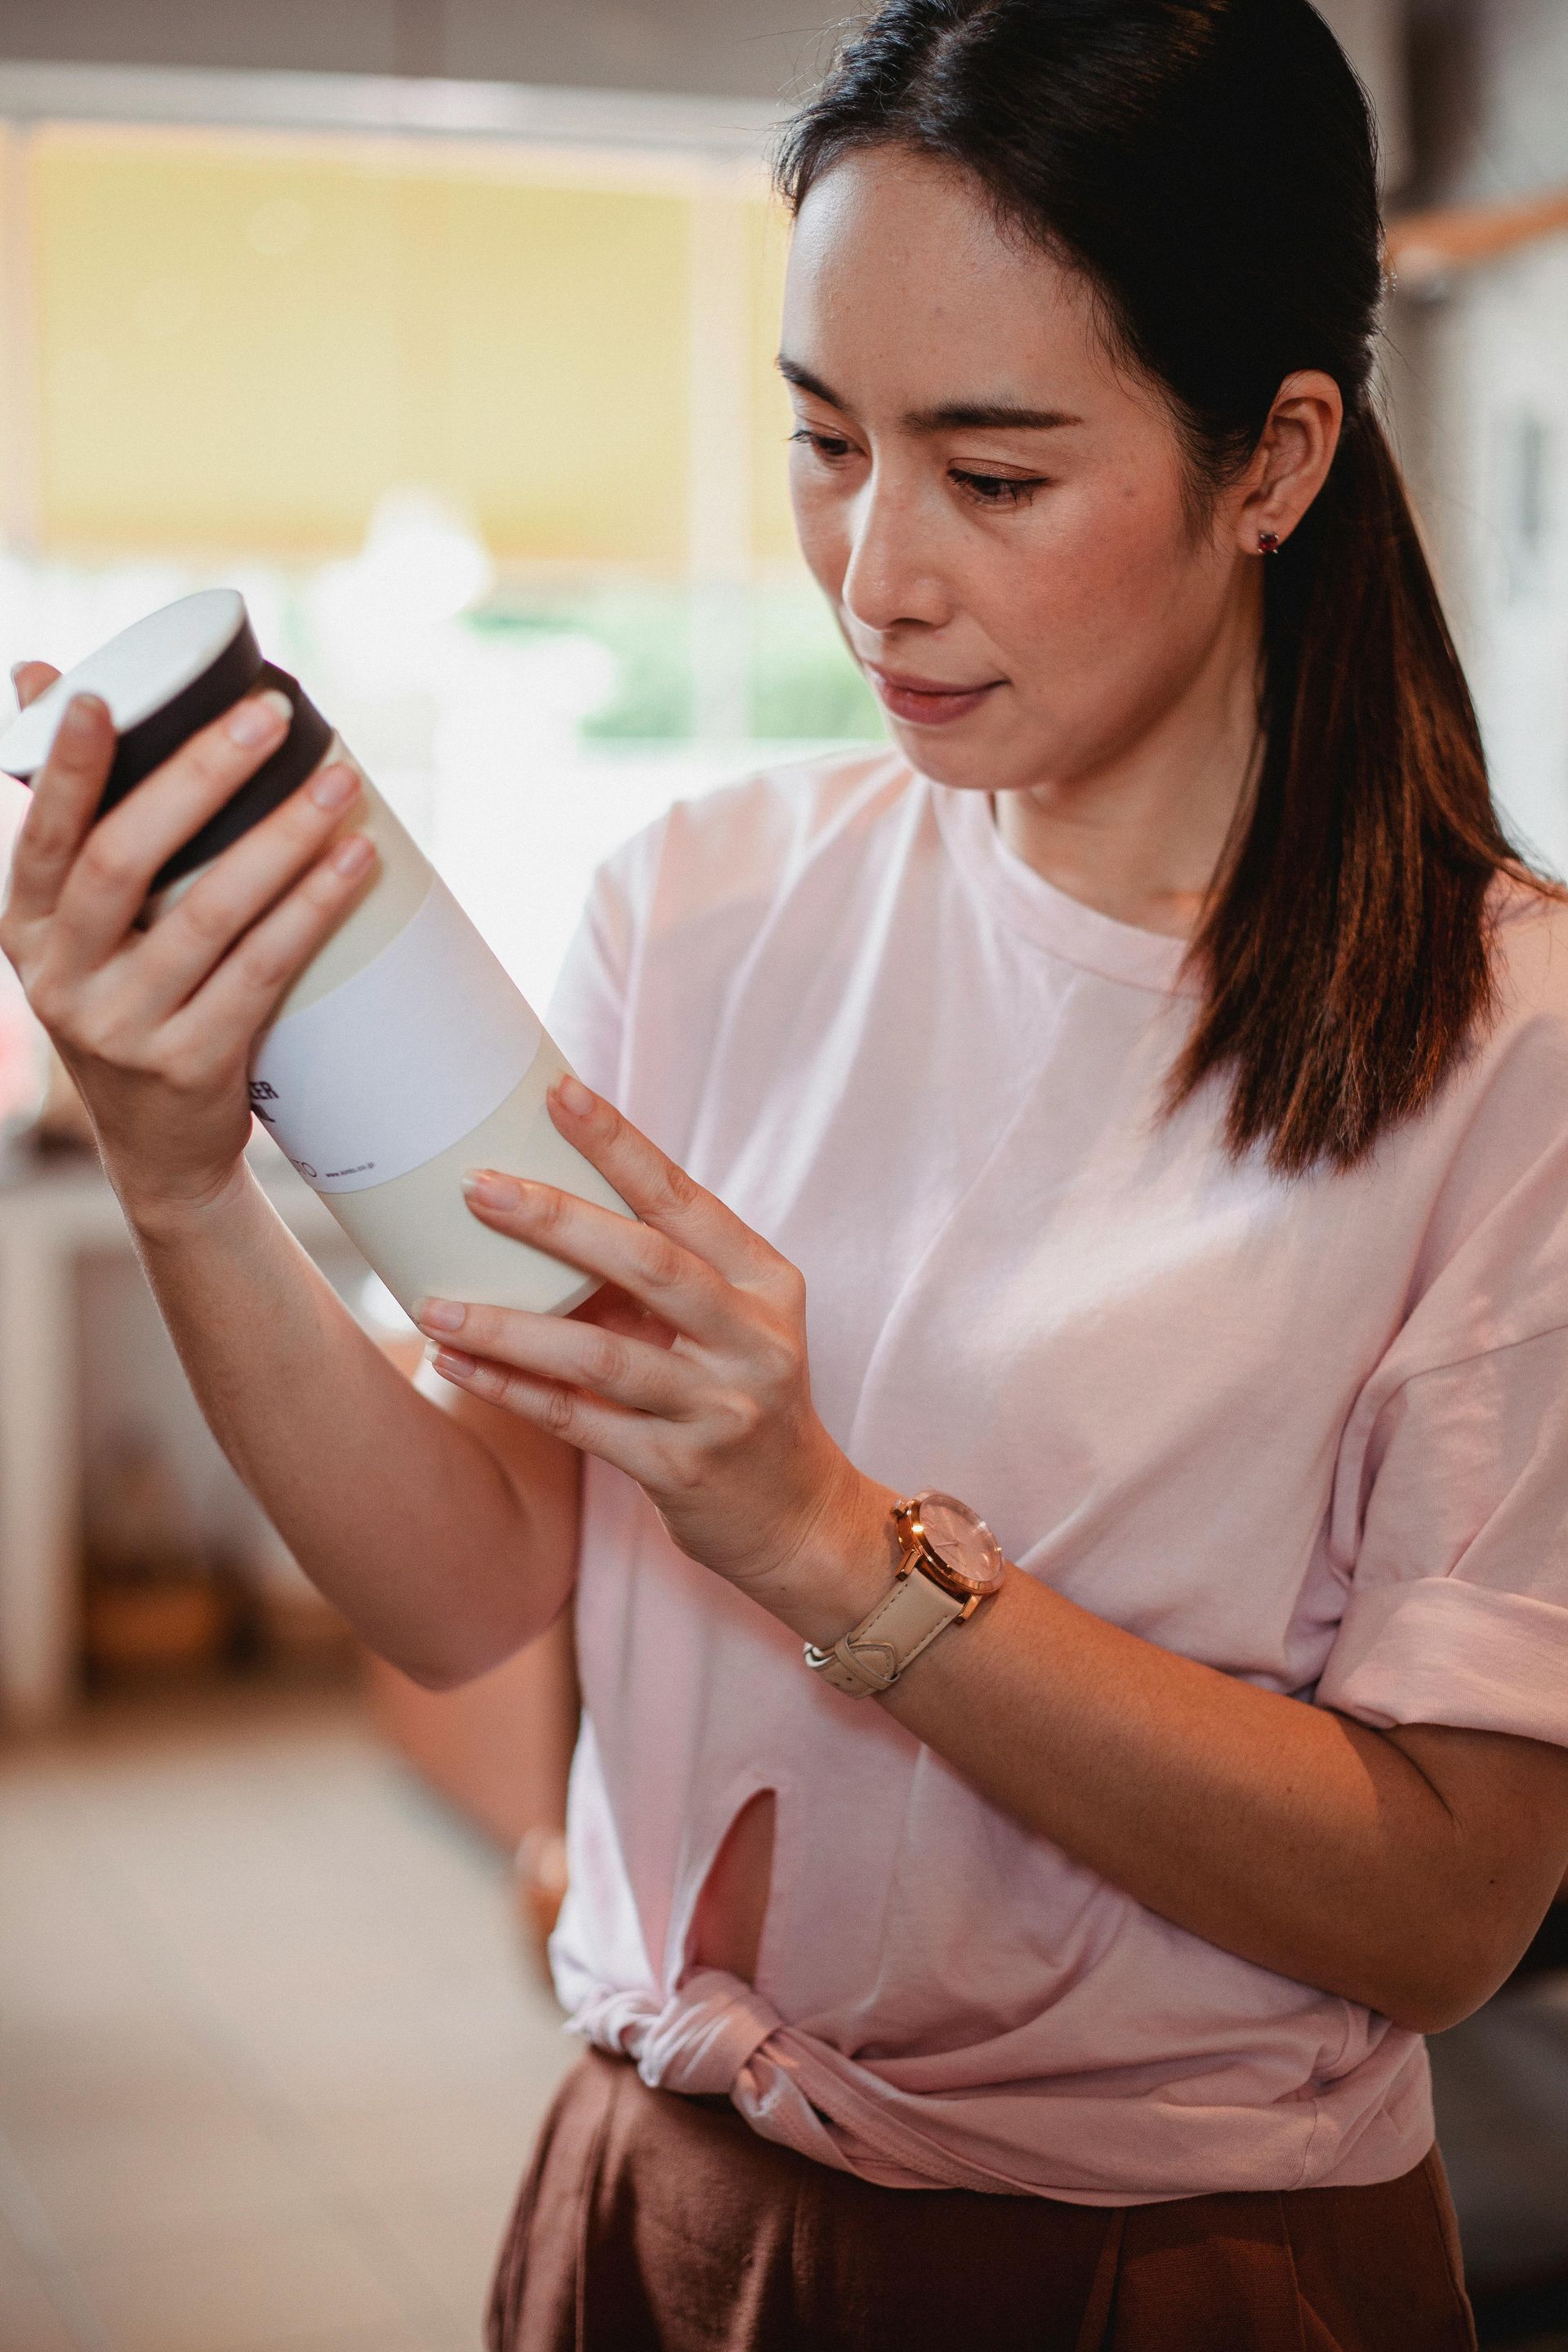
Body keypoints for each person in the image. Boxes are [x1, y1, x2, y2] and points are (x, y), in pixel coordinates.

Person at [7, 0, 1568, 2342]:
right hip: (653, 2197)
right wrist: (184, 1180)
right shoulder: (705, 897)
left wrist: (831, 1543)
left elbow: (1448, 1906)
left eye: (996, 475)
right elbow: (468, 1581)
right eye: (826, 444)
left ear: (1277, 457)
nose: (874, 572)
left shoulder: (1506, 1045)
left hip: (1169, 2272)